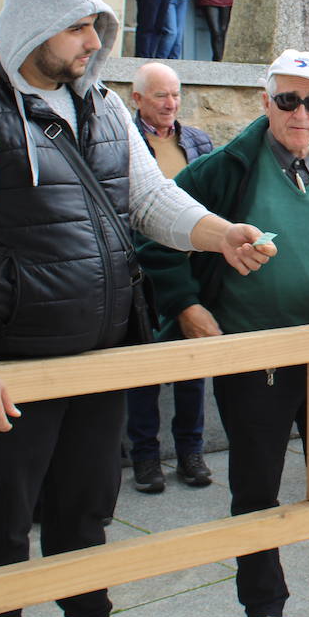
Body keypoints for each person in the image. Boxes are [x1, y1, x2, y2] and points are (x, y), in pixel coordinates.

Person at [0, 0, 273, 617]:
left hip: (100, 361)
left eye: (97, 26)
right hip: (10, 370)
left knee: (86, 518)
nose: (94, 41)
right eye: (77, 28)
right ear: (33, 28)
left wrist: (219, 234)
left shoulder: (100, 104)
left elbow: (150, 199)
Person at [138, 49, 309, 617]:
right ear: (266, 101)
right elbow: (158, 231)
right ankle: (264, 608)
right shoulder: (226, 168)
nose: (300, 114)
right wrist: (186, 306)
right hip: (255, 352)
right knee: (255, 484)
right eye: (288, 100)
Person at [126, 62, 216, 494]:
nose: (170, 103)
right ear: (137, 98)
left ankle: (190, 453)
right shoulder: (121, 140)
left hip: (187, 268)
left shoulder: (197, 140)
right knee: (143, 369)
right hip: (138, 273)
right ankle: (145, 458)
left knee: (190, 367)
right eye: (161, 96)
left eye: (175, 95)